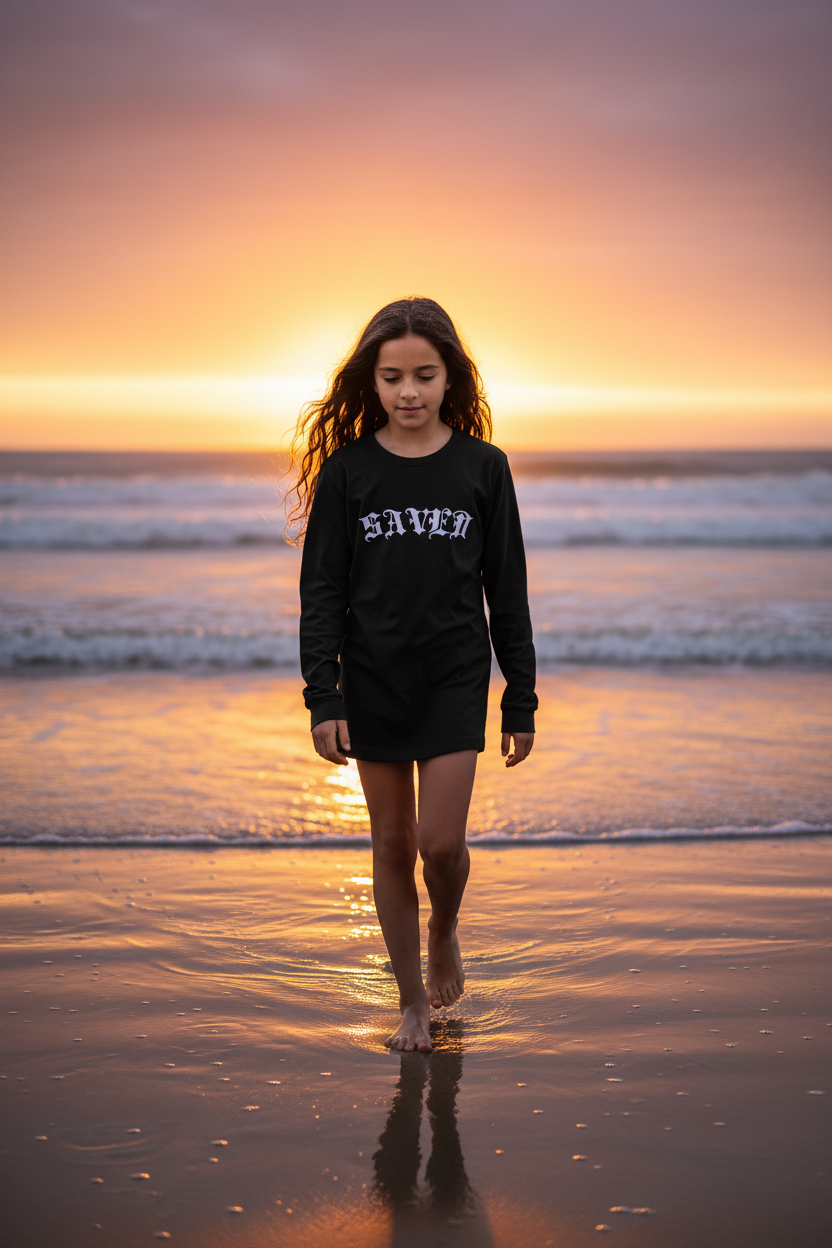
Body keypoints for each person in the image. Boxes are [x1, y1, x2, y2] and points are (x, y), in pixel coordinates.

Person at [289, 297, 537, 1053]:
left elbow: (508, 589)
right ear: (370, 381)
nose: (408, 392)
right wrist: (322, 695)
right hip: (372, 680)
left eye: (424, 376)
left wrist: (519, 698)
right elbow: (322, 593)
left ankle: (446, 928)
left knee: (440, 845)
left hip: (456, 676)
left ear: (449, 378)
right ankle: (411, 1007)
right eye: (392, 377)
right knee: (391, 844)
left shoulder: (483, 469)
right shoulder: (347, 474)